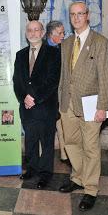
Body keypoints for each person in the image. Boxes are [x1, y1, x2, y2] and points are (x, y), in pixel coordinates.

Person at [58, 1, 108, 211]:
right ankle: (78, 177)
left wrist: (103, 106)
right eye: (73, 14)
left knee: (90, 147)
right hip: (68, 104)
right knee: (71, 143)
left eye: (80, 14)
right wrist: (60, 101)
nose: (76, 18)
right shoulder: (66, 43)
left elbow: (107, 77)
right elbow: (64, 76)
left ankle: (90, 189)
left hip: (91, 105)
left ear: (88, 16)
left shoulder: (100, 42)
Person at [13, 20, 61, 189]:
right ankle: (32, 169)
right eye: (30, 30)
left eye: (36, 30)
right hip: (26, 108)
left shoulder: (54, 53)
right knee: (30, 140)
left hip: (45, 106)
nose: (33, 33)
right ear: (26, 34)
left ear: (42, 33)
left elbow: (52, 80)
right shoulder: (20, 55)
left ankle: (46, 174)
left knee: (47, 143)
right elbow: (16, 81)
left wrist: (34, 97)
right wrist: (23, 98)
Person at [45, 20, 68, 164]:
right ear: (51, 34)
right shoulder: (40, 47)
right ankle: (41, 156)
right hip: (46, 95)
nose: (63, 35)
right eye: (60, 33)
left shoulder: (63, 48)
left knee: (61, 125)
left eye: (63, 32)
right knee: (45, 128)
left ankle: (65, 154)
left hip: (60, 94)